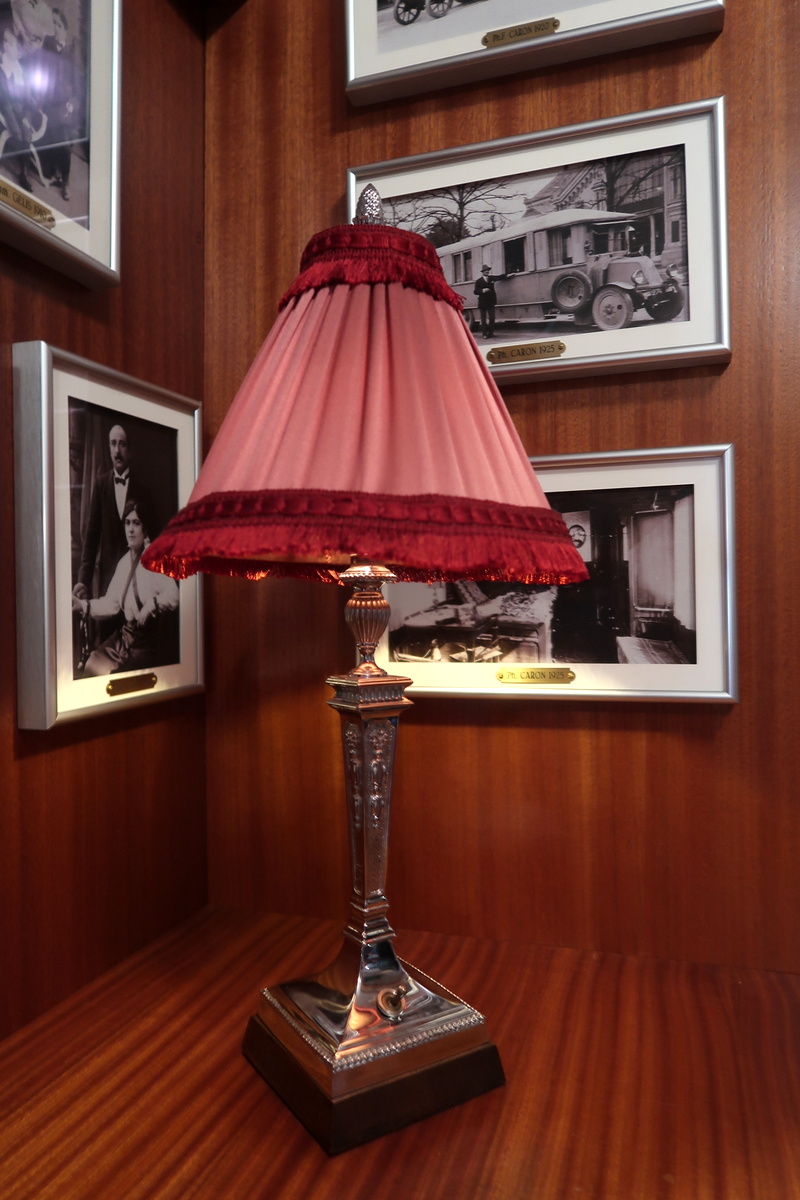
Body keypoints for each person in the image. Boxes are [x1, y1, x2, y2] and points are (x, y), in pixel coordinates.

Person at [72, 500, 179, 677]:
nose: (130, 529)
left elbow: (174, 596)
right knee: (92, 664)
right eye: (127, 523)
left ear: (145, 528)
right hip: (123, 639)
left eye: (136, 523)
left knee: (114, 676)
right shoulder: (123, 563)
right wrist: (83, 605)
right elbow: (111, 604)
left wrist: (151, 605)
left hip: (145, 645)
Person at [73, 423, 154, 604]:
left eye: (122, 444)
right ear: (109, 448)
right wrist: (83, 581)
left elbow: (152, 537)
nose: (117, 451)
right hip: (107, 578)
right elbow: (91, 537)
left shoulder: (143, 491)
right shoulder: (100, 485)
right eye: (113, 443)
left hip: (136, 578)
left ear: (130, 451)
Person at [473, 265, 500, 339]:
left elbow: (499, 277)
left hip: (491, 302)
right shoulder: (479, 281)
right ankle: (484, 334)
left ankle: (491, 333)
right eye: (486, 270)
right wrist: (482, 290)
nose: (487, 271)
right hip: (483, 302)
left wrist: (507, 275)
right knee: (483, 319)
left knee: (492, 317)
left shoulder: (491, 278)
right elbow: (475, 291)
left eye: (488, 270)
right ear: (483, 272)